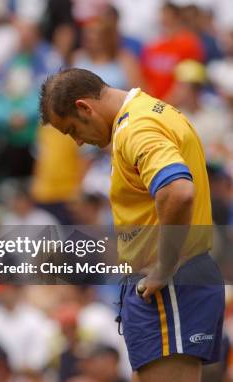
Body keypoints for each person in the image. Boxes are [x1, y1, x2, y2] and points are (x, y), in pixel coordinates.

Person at [39, 68, 224, 382]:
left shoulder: (136, 128)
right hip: (169, 286)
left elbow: (177, 191)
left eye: (72, 130)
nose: (79, 142)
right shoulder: (150, 110)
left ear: (84, 107)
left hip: (170, 286)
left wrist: (165, 266)